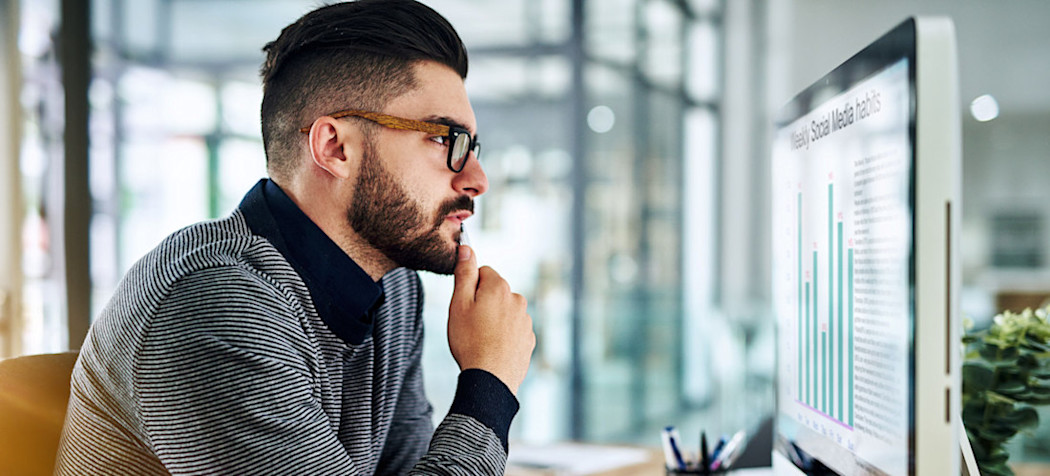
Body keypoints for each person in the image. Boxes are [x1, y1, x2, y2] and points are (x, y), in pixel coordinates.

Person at [54, 1, 536, 474]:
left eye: (472, 147)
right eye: (444, 140)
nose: (477, 178)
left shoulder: (393, 290)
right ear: (335, 147)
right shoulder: (215, 299)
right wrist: (488, 384)